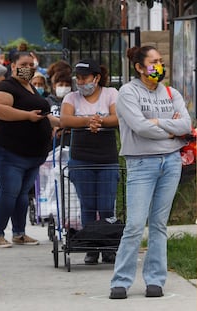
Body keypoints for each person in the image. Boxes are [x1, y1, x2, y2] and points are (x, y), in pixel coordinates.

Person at [109, 45, 191, 299]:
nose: (159, 65)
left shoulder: (170, 92)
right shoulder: (127, 92)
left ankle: (155, 279)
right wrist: (169, 130)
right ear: (139, 67)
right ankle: (120, 281)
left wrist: (159, 123)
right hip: (141, 163)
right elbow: (139, 127)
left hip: (171, 161)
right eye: (154, 61)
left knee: (158, 224)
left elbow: (186, 124)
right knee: (134, 224)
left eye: (161, 61)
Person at [0, 51, 60, 248]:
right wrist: (27, 116)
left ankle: (19, 232)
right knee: (9, 191)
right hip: (8, 150)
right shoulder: (6, 87)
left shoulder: (30, 88)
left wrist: (60, 123)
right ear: (13, 66)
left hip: (32, 154)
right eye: (24, 64)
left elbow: (43, 115)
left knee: (22, 194)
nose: (29, 68)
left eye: (32, 64)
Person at [60, 58, 120, 265]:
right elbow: (65, 120)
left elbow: (118, 117)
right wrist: (88, 121)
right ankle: (91, 246)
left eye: (84, 77)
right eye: (78, 77)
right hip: (81, 157)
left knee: (106, 205)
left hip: (107, 158)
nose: (81, 81)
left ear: (96, 78)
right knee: (87, 205)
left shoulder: (111, 94)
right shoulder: (71, 97)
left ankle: (108, 246)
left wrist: (99, 121)